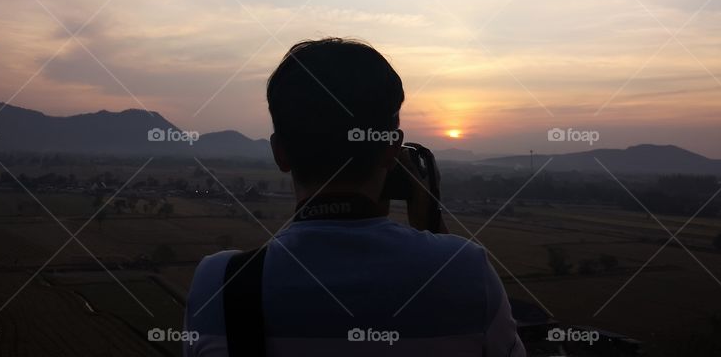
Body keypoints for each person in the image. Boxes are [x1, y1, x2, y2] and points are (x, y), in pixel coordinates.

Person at [183, 37, 526, 356]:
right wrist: (430, 220)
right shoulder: (467, 272)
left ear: (279, 153)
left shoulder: (219, 284)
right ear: (392, 148)